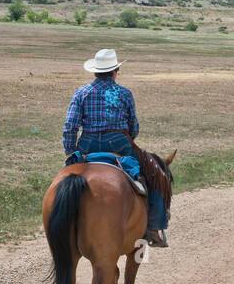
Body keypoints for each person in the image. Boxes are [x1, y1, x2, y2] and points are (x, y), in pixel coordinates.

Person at [62, 47, 169, 248]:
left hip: (87, 145)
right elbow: (133, 127)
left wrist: (70, 152)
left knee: (64, 181)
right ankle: (153, 228)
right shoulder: (124, 94)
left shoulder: (82, 92)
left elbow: (70, 127)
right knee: (153, 176)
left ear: (95, 71)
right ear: (114, 71)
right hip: (119, 143)